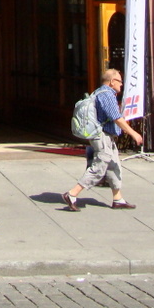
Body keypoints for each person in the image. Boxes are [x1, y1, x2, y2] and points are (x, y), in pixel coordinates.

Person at [61, 69, 143, 212]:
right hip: (102, 136)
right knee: (99, 167)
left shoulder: (99, 92)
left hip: (106, 136)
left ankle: (118, 199)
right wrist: (133, 133)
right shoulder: (106, 95)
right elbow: (116, 117)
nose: (121, 84)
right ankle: (72, 194)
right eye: (120, 81)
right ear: (112, 82)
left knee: (113, 165)